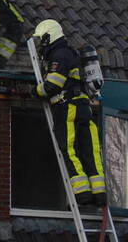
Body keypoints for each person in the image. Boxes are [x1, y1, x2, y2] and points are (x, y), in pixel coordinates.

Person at [32, 19, 107, 207]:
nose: (41, 44)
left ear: (49, 36)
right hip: (83, 107)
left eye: (42, 39)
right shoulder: (70, 53)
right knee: (90, 150)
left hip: (67, 108)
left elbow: (52, 85)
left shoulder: (59, 55)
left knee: (69, 148)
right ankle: (99, 193)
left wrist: (34, 91)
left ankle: (82, 193)